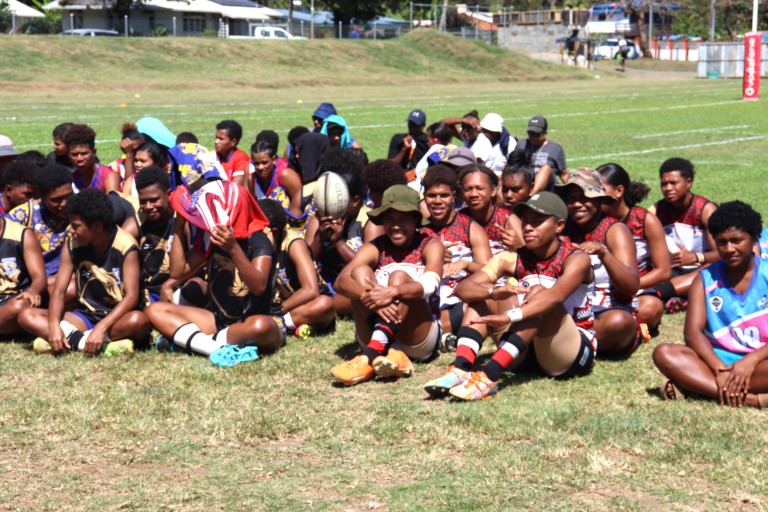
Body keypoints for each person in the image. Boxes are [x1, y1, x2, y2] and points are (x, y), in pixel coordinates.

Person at [425, 192, 595, 400]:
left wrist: (508, 316)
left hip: (568, 352)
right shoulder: (511, 257)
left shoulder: (577, 258)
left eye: (537, 221)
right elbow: (463, 289)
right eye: (525, 221)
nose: (528, 227)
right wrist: (492, 292)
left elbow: (554, 298)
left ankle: (490, 375)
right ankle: (460, 368)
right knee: (483, 293)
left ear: (559, 226)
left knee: (538, 294)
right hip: (525, 348)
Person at [146, 182, 284, 365]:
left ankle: (192, 343)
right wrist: (179, 223)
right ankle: (212, 347)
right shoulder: (212, 238)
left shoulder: (259, 239)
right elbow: (177, 271)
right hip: (218, 323)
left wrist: (233, 248)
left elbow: (258, 286)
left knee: (261, 326)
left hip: (252, 322)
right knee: (155, 310)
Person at [653, 201, 768, 408]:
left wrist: (750, 361)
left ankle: (696, 387)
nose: (729, 249)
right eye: (722, 242)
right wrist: (718, 369)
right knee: (664, 353)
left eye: (737, 240)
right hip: (717, 360)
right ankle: (751, 399)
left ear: (754, 238)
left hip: (761, 362)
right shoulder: (704, 279)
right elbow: (692, 333)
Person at [330, 185, 444, 386]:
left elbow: (431, 284)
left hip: (418, 337)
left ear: (416, 220)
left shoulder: (430, 244)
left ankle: (368, 357)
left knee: (398, 277)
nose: (396, 226)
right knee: (359, 272)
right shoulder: (375, 246)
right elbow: (341, 282)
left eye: (404, 219)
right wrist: (372, 297)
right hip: (376, 323)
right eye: (390, 219)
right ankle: (392, 353)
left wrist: (393, 291)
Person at [18, 189, 150, 355]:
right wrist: (53, 326)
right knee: (27, 316)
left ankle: (72, 340)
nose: (70, 230)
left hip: (118, 318)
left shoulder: (126, 246)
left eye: (76, 226)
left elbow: (131, 297)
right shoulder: (72, 244)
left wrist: (102, 326)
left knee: (139, 321)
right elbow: (59, 292)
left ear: (97, 226)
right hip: (86, 316)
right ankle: (95, 344)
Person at [556, 167, 640, 357]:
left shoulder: (615, 229)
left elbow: (631, 286)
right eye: (571, 199)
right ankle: (566, 345)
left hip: (606, 312)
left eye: (584, 198)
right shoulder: (563, 227)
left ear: (599, 200)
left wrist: (604, 253)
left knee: (620, 322)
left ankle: (567, 346)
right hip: (568, 310)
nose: (576, 205)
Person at [598, 163, 670, 338]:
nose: (594, 195)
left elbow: (663, 271)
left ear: (619, 191)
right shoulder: (593, 219)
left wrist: (629, 285)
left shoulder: (645, 220)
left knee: (651, 308)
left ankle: (625, 327)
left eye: (600, 189)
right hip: (598, 289)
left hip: (637, 290)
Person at [422, 165, 491, 342]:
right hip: (426, 297)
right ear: (424, 197)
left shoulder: (470, 228)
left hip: (460, 299)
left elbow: (491, 271)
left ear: (454, 196)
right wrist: (431, 257)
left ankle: (442, 331)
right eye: (431, 195)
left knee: (481, 300)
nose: (438, 201)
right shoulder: (419, 230)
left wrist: (465, 264)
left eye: (444, 195)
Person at [651, 157, 718, 312]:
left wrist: (696, 257)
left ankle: (661, 294)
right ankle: (684, 297)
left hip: (702, 267)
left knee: (711, 270)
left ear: (689, 182)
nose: (668, 188)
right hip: (673, 269)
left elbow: (723, 253)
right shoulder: (658, 209)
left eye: (673, 183)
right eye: (664, 184)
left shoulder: (706, 210)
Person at [261, 198, 335, 338]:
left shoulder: (294, 244)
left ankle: (280, 324)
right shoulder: (254, 244)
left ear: (274, 232)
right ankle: (291, 324)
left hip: (301, 304)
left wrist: (278, 310)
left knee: (325, 305)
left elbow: (310, 290)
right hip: (277, 307)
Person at [135, 167, 182, 307]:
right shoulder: (139, 220)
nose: (148, 206)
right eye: (143, 201)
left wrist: (170, 284)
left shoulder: (182, 219)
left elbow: (197, 259)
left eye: (154, 200)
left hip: (179, 286)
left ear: (168, 194)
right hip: (150, 292)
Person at [458, 164, 522, 255]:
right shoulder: (458, 220)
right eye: (468, 189)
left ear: (493, 190)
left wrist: (519, 246)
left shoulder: (507, 220)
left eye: (480, 188)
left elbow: (530, 255)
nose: (473, 194)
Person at [0, 212, 47, 336]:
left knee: (21, 305)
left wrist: (33, 290)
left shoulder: (22, 234)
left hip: (12, 300)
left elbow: (40, 277)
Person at [250, 139, 303, 219]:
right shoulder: (252, 178)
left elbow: (301, 203)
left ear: (274, 159)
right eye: (256, 163)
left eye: (264, 162)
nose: (260, 167)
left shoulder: (285, 175)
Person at [62, 124, 120, 194]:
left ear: (94, 152)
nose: (79, 158)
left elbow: (114, 200)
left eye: (84, 153)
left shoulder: (108, 176)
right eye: (74, 154)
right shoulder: (71, 179)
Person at [514, 115, 566, 193]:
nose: (533, 137)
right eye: (530, 133)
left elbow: (564, 174)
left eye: (536, 134)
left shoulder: (555, 148)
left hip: (547, 188)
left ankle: (531, 195)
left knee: (546, 169)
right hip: (525, 183)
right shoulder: (521, 145)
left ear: (545, 133)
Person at [214, 120, 250, 188]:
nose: (216, 141)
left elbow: (234, 189)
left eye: (221, 139)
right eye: (216, 138)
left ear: (233, 142)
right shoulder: (214, 155)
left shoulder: (241, 159)